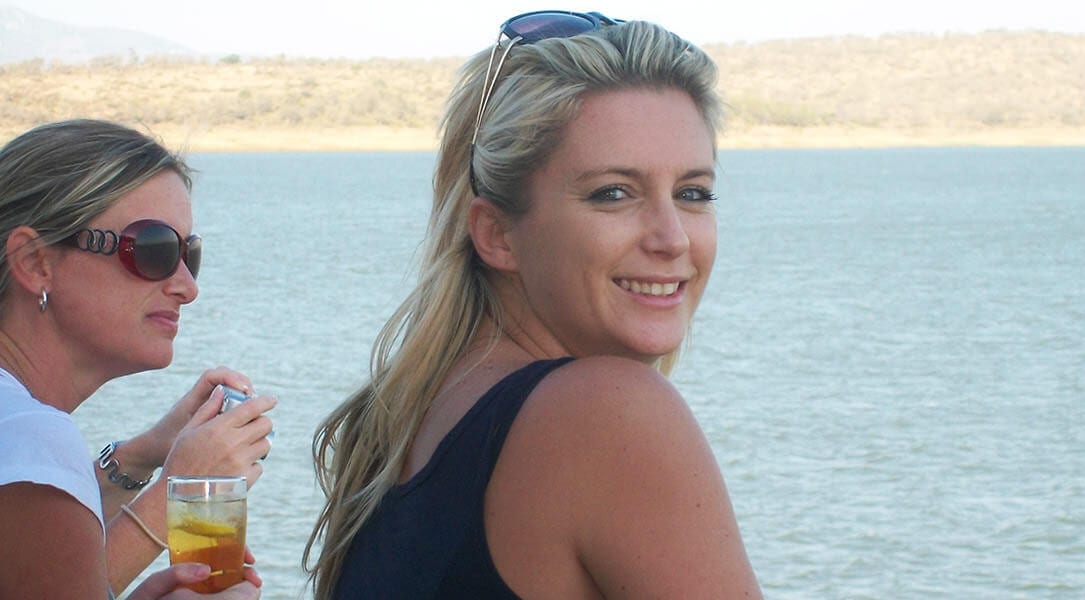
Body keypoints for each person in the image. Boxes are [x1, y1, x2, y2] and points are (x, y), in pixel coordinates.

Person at [304, 11, 761, 599]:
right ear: (497, 234)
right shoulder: (608, 413)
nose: (672, 238)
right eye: (613, 194)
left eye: (693, 193)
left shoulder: (406, 419)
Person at [0, 119, 275, 599]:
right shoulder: (30, 438)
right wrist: (181, 490)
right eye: (153, 249)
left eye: (189, 254)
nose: (187, 287)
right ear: (34, 262)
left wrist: (142, 455)